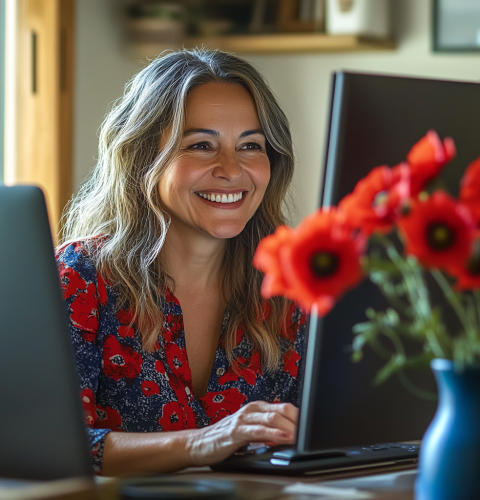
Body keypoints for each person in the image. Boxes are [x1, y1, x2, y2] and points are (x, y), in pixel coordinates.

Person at [57, 48, 307, 476]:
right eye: (201, 145)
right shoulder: (80, 277)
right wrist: (206, 441)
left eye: (250, 145)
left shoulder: (292, 285)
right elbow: (55, 446)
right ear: (143, 160)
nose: (231, 169)